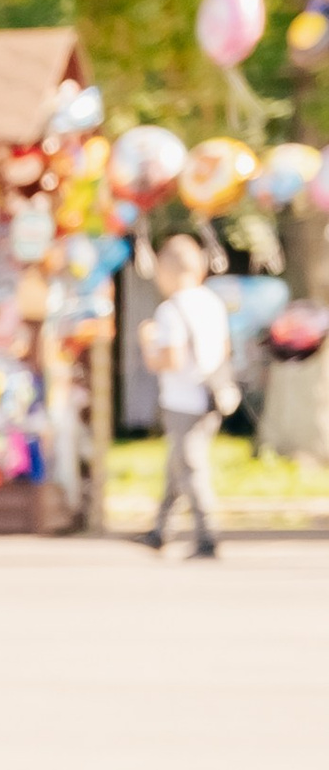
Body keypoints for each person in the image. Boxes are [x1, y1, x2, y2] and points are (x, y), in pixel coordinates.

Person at [138, 231, 237, 559]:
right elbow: (224, 349)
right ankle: (160, 529)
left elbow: (172, 360)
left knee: (190, 466)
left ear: (168, 271)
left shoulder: (171, 310)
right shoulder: (212, 302)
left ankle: (207, 536)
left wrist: (147, 347)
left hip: (183, 399)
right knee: (177, 463)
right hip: (212, 395)